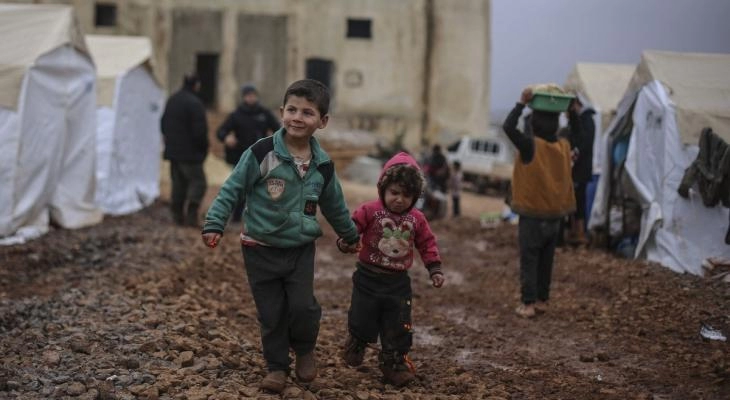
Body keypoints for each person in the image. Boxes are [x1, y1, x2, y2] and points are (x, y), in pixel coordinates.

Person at [201, 79, 360, 393]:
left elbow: (335, 205)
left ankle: (304, 350)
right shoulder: (261, 153)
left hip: (299, 249)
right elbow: (232, 189)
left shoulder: (323, 165)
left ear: (323, 121)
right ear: (281, 112)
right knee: (271, 313)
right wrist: (215, 223)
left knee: (303, 307)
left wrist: (350, 235)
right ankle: (276, 366)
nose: (297, 118)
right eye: (292, 110)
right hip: (259, 249)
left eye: (307, 112)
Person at [339, 151, 445, 387]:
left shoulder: (417, 219)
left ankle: (394, 362)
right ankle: (357, 341)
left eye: (407, 195)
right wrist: (345, 241)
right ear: (383, 189)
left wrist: (435, 268)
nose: (399, 199)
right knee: (362, 317)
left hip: (397, 282)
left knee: (398, 324)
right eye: (394, 192)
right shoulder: (370, 210)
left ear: (415, 196)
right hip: (367, 277)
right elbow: (351, 228)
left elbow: (427, 243)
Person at [502, 87, 575, 318]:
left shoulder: (529, 146)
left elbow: (508, 127)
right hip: (555, 216)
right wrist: (571, 107)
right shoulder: (563, 146)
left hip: (532, 215)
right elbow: (579, 131)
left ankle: (528, 304)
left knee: (530, 259)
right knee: (546, 260)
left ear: (534, 124)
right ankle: (543, 300)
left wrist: (521, 103)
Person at [216, 84, 280, 222]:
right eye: (248, 95)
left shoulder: (264, 113)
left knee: (262, 188)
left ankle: (261, 217)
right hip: (241, 158)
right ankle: (236, 217)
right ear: (244, 97)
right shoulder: (236, 115)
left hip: (262, 157)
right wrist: (227, 137)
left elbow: (279, 131)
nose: (251, 98)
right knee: (241, 188)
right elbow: (221, 132)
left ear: (257, 96)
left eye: (253, 95)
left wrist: (273, 141)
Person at [160, 74, 209, 227]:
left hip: (174, 152)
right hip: (190, 153)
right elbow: (200, 131)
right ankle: (191, 216)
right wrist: (203, 149)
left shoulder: (173, 100)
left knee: (178, 184)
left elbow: (163, 124)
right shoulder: (195, 103)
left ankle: (177, 216)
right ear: (196, 85)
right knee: (199, 183)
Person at [566, 97, 595, 245]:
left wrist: (574, 154)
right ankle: (575, 230)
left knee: (579, 200)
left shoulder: (587, 120)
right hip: (578, 167)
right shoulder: (583, 120)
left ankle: (579, 231)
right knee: (576, 199)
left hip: (581, 168)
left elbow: (585, 143)